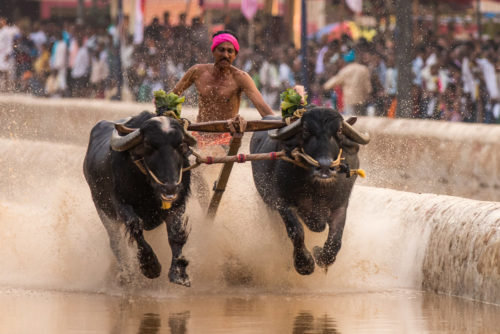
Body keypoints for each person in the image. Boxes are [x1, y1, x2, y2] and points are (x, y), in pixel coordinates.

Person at [171, 29, 275, 147]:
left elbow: (264, 110)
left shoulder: (241, 78)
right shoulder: (197, 71)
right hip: (199, 135)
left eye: (230, 51)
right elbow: (172, 97)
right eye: (221, 50)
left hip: (226, 139)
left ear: (235, 55)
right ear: (213, 51)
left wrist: (282, 125)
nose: (225, 55)